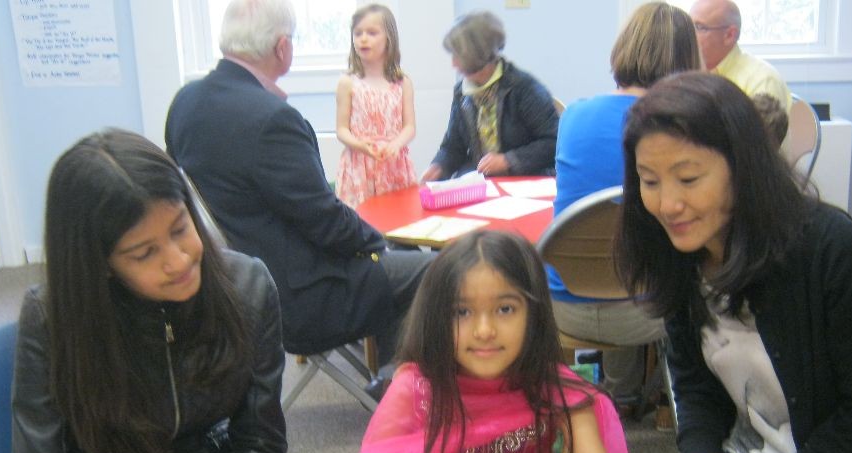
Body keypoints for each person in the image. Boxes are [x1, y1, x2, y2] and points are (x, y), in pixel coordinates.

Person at [614, 72, 852, 453]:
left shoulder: (832, 250)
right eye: (649, 181)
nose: (668, 203)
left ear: (743, 168)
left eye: (689, 178)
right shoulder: (679, 257)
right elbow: (694, 387)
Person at [12, 129, 287, 453]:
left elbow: (260, 444)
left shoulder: (247, 288)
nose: (178, 260)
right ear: (98, 264)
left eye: (181, 229)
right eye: (144, 253)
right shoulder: (54, 319)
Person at [331, 231, 637, 453]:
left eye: (505, 309)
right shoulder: (415, 391)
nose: (484, 330)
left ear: (534, 313)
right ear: (436, 317)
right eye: (462, 312)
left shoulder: (557, 389)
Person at [165, 0, 432, 385]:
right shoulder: (273, 119)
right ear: (282, 47)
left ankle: (388, 382)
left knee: (395, 268)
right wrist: (379, 242)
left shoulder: (185, 102)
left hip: (238, 284)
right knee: (431, 270)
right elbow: (325, 221)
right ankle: (396, 390)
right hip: (299, 297)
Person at [551, 1, 700, 413]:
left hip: (563, 305)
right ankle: (643, 396)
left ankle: (614, 396)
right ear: (686, 60)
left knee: (621, 253)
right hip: (644, 313)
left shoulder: (574, 115)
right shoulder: (683, 126)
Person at [420, 11, 558, 181]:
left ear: (477, 55)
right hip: (482, 183)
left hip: (524, 181)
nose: (453, 64)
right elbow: (453, 147)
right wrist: (438, 166)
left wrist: (508, 160)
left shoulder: (523, 88)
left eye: (458, 56)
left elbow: (553, 141)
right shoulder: (462, 92)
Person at [334, 4, 416, 208]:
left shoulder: (402, 82)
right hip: (359, 166)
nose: (363, 39)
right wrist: (360, 145)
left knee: (397, 217)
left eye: (372, 33)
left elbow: (409, 127)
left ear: (389, 38)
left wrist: (396, 144)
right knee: (361, 220)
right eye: (358, 33)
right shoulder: (347, 83)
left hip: (393, 166)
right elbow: (342, 129)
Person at [689, 0, 791, 109]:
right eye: (689, 25)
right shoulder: (690, 71)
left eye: (698, 27)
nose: (689, 34)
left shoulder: (763, 81)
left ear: (730, 35)